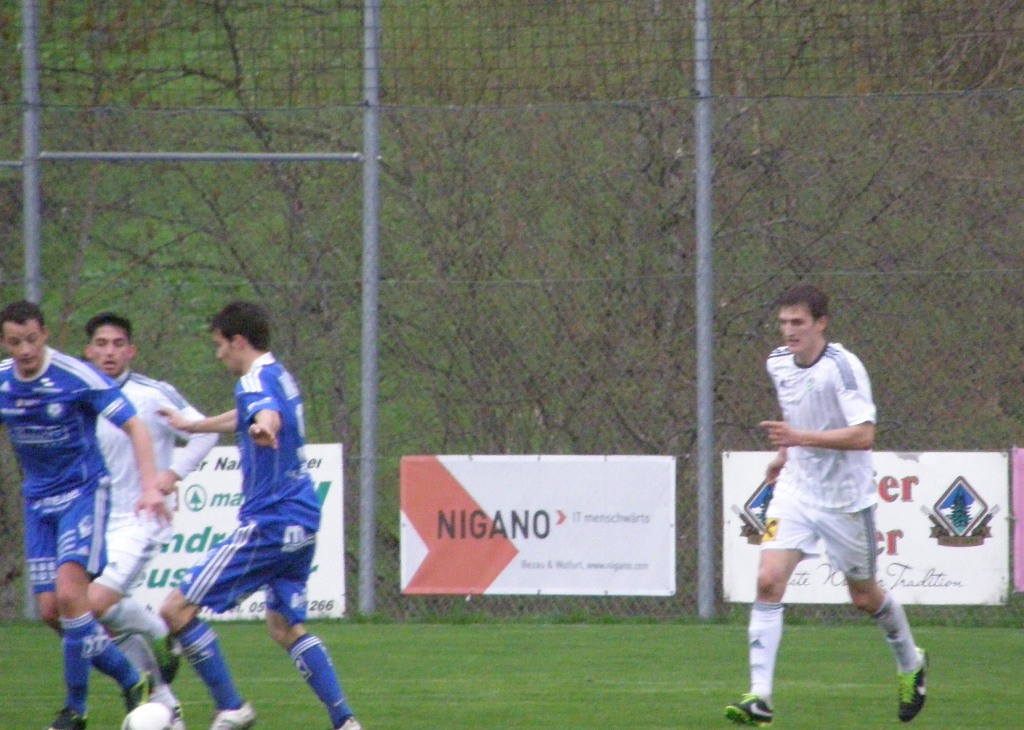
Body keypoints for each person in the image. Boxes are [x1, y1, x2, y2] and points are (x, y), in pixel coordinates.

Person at [724, 284, 927, 727]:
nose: (789, 331)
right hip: (796, 491)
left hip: (845, 501)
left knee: (863, 596)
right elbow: (798, 415)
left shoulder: (843, 368)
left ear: (821, 323)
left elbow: (864, 435)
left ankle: (911, 661)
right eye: (783, 322)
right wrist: (784, 455)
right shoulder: (778, 362)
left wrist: (798, 438)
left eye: (798, 322)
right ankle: (759, 697)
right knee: (768, 580)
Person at [159, 301, 362, 730]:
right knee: (284, 627)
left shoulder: (253, 380)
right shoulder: (278, 373)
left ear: (238, 341)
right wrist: (195, 426)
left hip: (269, 522)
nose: (219, 355)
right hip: (302, 517)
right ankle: (345, 721)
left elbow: (263, 413)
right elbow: (249, 412)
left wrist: (265, 428)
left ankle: (231, 707)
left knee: (175, 609)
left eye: (220, 345)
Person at [0, 301, 163, 730]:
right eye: (15, 342)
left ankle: (76, 710)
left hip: (83, 494)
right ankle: (132, 679)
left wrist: (150, 486)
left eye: (31, 339)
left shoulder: (76, 376)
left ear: (45, 334)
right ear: (4, 342)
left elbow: (136, 426)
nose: (25, 350)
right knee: (52, 612)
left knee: (72, 596)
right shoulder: (2, 383)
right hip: (37, 503)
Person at [83, 311, 219, 730]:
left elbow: (205, 431)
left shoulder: (150, 393)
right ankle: (163, 703)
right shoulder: (79, 395)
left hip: (142, 517)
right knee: (89, 617)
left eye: (117, 344)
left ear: (131, 350)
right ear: (88, 351)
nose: (109, 352)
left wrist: (171, 475)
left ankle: (158, 632)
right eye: (101, 344)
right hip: (95, 522)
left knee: (95, 603)